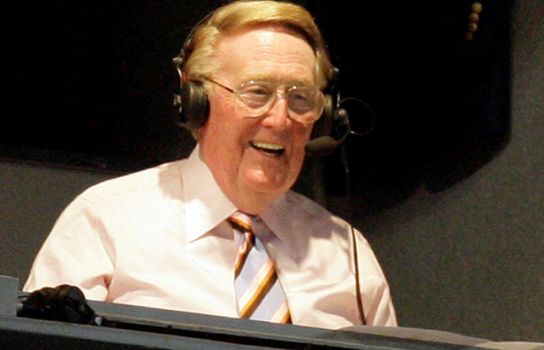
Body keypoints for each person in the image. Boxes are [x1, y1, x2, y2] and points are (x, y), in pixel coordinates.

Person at [24, 0, 397, 329]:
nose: (281, 120)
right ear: (195, 100)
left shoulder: (346, 251)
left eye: (301, 98)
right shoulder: (106, 222)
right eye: (257, 92)